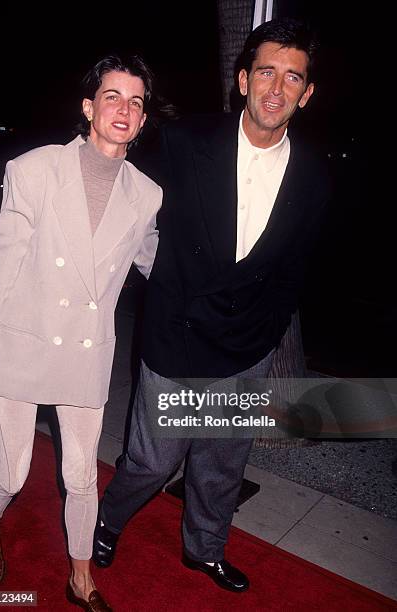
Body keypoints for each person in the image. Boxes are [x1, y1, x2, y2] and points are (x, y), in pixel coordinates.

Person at [93, 18, 331, 593]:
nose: (278, 89)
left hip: (246, 346)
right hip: (176, 336)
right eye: (267, 73)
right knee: (154, 461)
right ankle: (105, 521)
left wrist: (269, 329)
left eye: (292, 78)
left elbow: (294, 267)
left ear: (307, 93)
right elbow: (127, 214)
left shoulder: (317, 176)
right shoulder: (185, 142)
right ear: (244, 80)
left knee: (222, 464)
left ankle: (205, 548)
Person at [0, 53, 162, 611]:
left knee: (81, 476)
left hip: (83, 355)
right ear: (88, 106)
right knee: (12, 470)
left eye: (136, 101)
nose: (123, 109)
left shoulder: (147, 195)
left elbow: (156, 265)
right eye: (112, 96)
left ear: (143, 119)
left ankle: (80, 578)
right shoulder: (34, 170)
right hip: (22, 344)